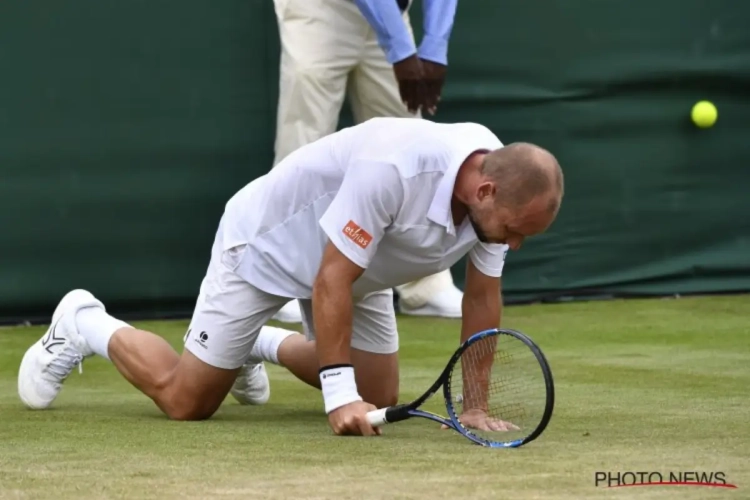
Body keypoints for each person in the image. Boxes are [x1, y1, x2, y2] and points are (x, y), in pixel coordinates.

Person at [18, 117, 564, 437]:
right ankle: (84, 321)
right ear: (486, 191)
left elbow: (482, 299)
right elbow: (329, 279)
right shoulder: (395, 167)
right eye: (514, 231)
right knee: (188, 401)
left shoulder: (499, 190)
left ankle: (254, 344)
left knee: (377, 396)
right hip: (268, 246)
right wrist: (336, 398)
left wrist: (474, 404)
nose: (513, 244)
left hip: (360, 270)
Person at [270, 0, 462, 324]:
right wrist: (401, 51)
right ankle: (279, 281)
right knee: (304, 139)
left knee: (408, 139)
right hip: (318, 10)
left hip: (394, 12)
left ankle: (425, 285)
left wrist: (434, 47)